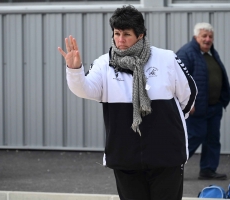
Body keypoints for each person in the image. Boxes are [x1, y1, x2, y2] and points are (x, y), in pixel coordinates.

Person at [58, 5, 197, 200]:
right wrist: (74, 70)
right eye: (117, 33)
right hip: (126, 156)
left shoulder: (166, 59)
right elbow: (85, 90)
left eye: (126, 34)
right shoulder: (104, 64)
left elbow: (189, 93)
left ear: (140, 35)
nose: (120, 40)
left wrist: (169, 122)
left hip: (167, 155)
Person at [176, 22, 230, 180]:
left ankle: (208, 170)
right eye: (204, 36)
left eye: (210, 36)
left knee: (212, 139)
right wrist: (187, 101)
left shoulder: (211, 54)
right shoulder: (186, 53)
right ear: (196, 37)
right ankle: (170, 167)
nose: (207, 39)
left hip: (214, 107)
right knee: (193, 137)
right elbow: (179, 79)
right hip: (196, 107)